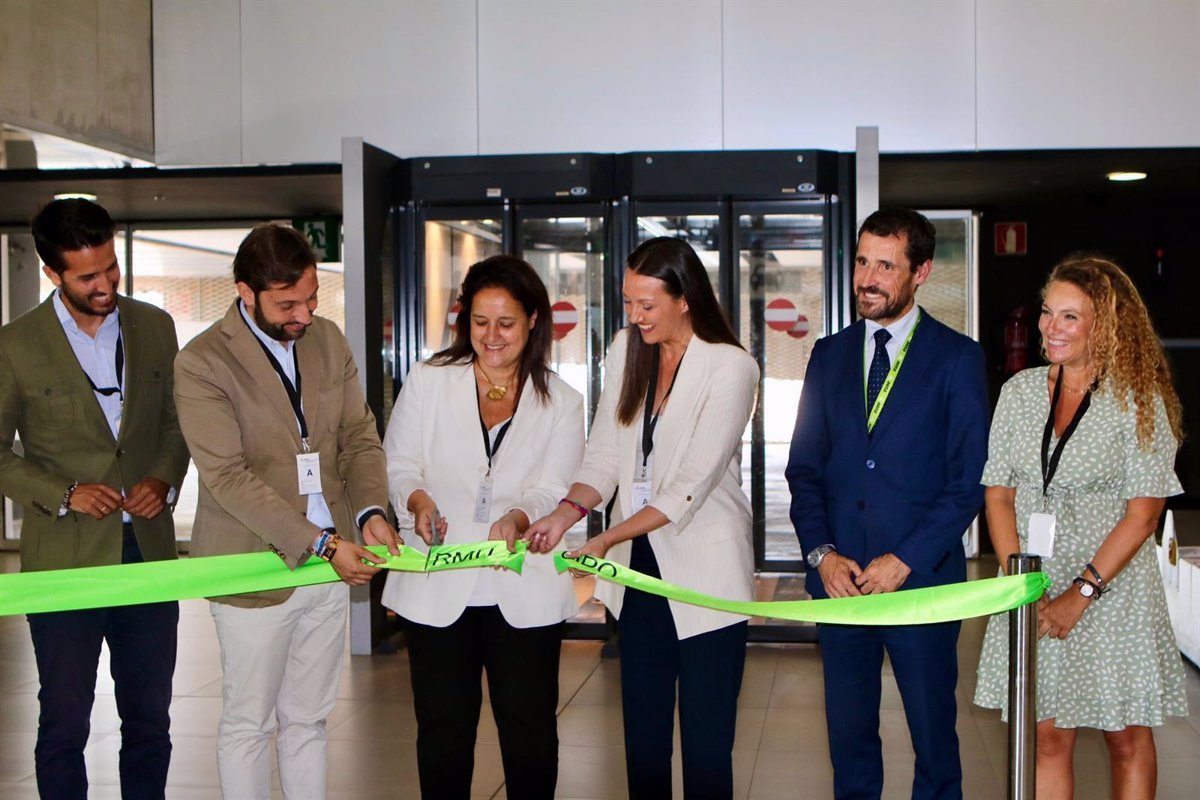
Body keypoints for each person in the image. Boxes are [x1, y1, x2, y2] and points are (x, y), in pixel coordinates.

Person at [527, 236, 758, 800]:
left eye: (647, 305)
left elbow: (688, 488)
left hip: (707, 575)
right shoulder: (628, 349)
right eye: (629, 302)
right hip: (638, 576)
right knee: (644, 743)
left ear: (685, 298)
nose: (635, 316)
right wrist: (564, 514)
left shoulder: (731, 366)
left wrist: (603, 537)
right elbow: (604, 454)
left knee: (706, 748)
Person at [173, 223, 398, 800]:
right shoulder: (202, 362)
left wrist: (373, 511)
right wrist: (321, 543)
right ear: (245, 293)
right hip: (255, 566)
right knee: (250, 723)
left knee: (308, 719)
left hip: (332, 563)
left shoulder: (328, 340)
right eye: (287, 303)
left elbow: (359, 437)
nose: (304, 313)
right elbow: (225, 477)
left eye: (312, 297)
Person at [786, 208, 989, 800]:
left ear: (920, 271)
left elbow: (968, 479)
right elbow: (804, 470)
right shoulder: (828, 354)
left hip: (921, 584)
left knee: (933, 739)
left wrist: (905, 558)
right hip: (841, 583)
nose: (867, 279)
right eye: (862, 261)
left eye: (886, 266)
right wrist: (821, 554)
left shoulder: (957, 358)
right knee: (849, 739)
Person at [974, 256, 1187, 799]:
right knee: (1046, 736)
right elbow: (998, 494)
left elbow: (1143, 513)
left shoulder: (1137, 399)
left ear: (1105, 325)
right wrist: (1020, 582)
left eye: (1070, 317)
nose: (1051, 328)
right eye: (1048, 313)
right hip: (1034, 587)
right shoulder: (1019, 393)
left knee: (1125, 736)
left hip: (1110, 590)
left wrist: (1081, 593)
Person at [0, 198, 190, 799]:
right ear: (53, 273)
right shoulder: (15, 344)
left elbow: (176, 424)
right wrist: (64, 493)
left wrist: (163, 477)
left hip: (149, 555)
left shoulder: (155, 326)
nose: (106, 283)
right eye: (88, 275)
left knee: (150, 721)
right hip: (63, 563)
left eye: (111, 268)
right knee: (63, 723)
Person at [381, 255, 584, 798]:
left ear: (534, 320)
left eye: (506, 323)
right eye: (479, 321)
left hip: (524, 586)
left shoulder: (563, 401)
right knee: (443, 735)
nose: (491, 336)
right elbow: (399, 464)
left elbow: (553, 486)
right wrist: (418, 501)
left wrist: (520, 515)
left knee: (531, 736)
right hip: (438, 586)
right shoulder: (428, 381)